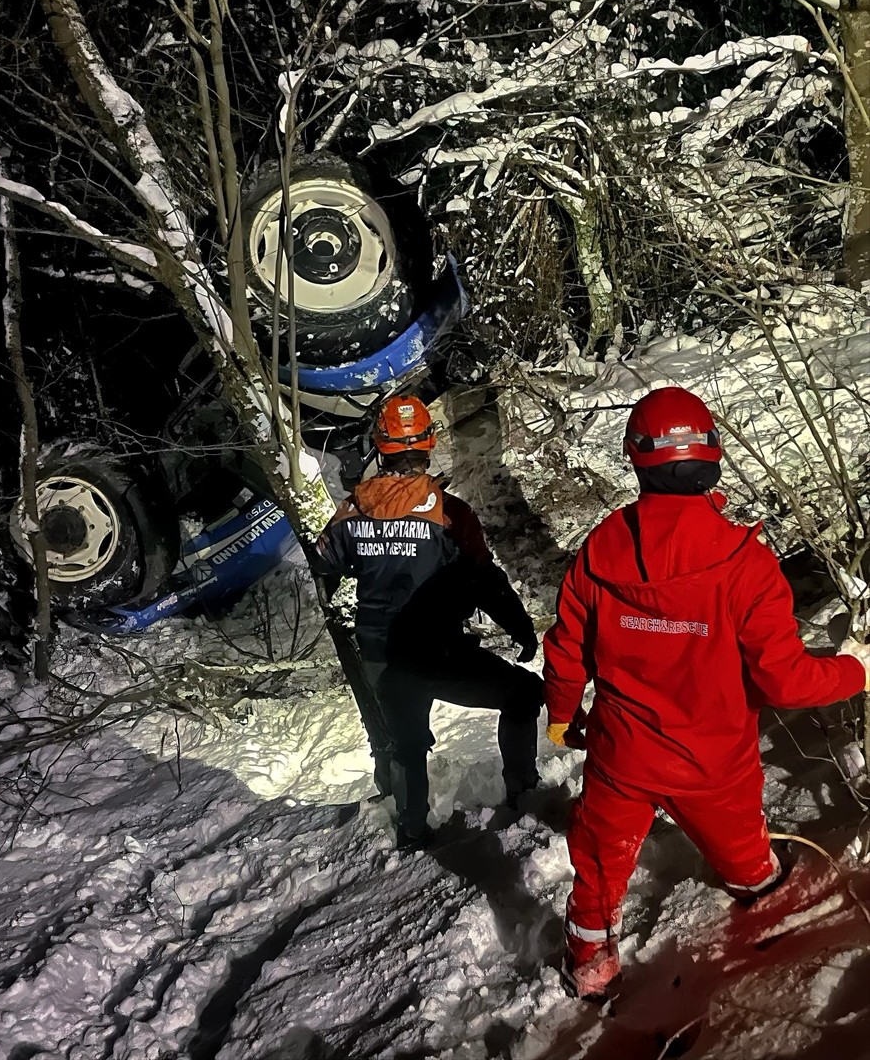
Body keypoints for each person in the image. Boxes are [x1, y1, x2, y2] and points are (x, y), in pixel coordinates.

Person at [543, 386, 870, 1001]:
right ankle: (763, 914)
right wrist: (856, 672)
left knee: (600, 865)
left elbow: (566, 645)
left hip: (622, 755)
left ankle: (590, 966)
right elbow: (786, 680)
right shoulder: (746, 563)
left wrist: (563, 714)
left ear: (636, 457)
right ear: (712, 456)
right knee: (746, 856)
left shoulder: (602, 547)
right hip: (713, 762)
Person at [316, 393, 543, 849]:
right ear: (428, 447)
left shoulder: (351, 513)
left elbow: (325, 565)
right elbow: (484, 578)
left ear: (380, 448)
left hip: (381, 652)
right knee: (522, 694)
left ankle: (412, 829)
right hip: (438, 651)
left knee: (405, 741)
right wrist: (518, 626)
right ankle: (523, 794)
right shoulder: (450, 513)